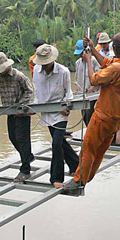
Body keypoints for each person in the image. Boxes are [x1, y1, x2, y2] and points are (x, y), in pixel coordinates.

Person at [62, 32, 120, 189]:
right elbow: (107, 62)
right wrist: (92, 47)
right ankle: (86, 177)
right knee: (100, 149)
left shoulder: (116, 69)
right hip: (117, 119)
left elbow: (94, 79)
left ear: (115, 49)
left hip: (103, 115)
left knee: (88, 147)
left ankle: (78, 180)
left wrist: (89, 60)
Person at [32, 44, 79, 188]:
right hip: (46, 112)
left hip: (60, 112)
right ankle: (77, 165)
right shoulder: (36, 71)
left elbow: (68, 92)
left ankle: (56, 177)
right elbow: (37, 91)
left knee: (56, 143)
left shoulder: (63, 71)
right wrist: (34, 106)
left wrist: (66, 106)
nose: (45, 65)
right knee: (60, 142)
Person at [0, 52, 34, 182]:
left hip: (21, 113)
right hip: (9, 112)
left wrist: (21, 105)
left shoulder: (19, 76)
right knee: (13, 137)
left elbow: (29, 91)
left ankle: (25, 170)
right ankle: (28, 156)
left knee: (22, 139)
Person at [74, 39, 100, 125]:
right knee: (84, 116)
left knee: (91, 116)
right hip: (82, 95)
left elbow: (98, 78)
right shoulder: (78, 63)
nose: (81, 55)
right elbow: (77, 79)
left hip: (92, 95)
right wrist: (76, 91)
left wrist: (91, 89)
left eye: (82, 53)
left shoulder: (94, 61)